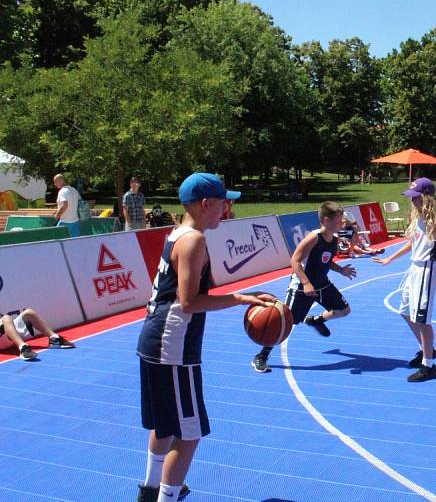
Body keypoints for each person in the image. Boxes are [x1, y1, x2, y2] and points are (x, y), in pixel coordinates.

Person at [136, 173, 274, 502]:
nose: (228, 209)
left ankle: (151, 488)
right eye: (224, 203)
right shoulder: (193, 240)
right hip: (173, 347)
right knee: (189, 433)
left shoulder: (180, 233)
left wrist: (240, 296)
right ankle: (164, 496)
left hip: (155, 342)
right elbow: (188, 302)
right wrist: (240, 299)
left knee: (165, 426)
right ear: (205, 204)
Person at [251, 202, 357, 373]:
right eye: (338, 220)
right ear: (325, 220)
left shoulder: (333, 239)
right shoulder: (314, 237)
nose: (341, 223)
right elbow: (294, 260)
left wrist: (341, 270)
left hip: (322, 283)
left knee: (344, 310)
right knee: (285, 323)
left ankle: (316, 320)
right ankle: (261, 356)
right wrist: (306, 283)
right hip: (302, 286)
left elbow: (326, 261)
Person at [373, 178, 436, 382]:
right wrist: (390, 258)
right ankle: (427, 349)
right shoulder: (418, 215)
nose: (412, 201)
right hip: (414, 268)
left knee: (422, 319)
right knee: (404, 311)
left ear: (426, 197)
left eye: (415, 198)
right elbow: (413, 243)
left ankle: (428, 366)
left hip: (427, 269)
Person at [0, 308, 75, 361]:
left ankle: (54, 339)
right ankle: (23, 348)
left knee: (29, 312)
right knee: (6, 318)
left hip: (6, 331)